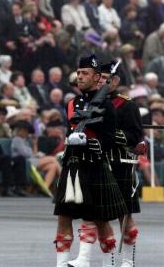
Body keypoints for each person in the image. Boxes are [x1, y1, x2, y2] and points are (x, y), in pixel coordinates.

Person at [53, 55, 128, 267]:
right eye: (78, 73)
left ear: (97, 77)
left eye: (85, 73)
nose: (80, 76)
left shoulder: (107, 104)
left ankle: (108, 262)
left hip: (94, 164)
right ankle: (61, 263)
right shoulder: (72, 103)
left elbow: (110, 137)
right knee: (63, 216)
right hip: (73, 164)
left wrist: (95, 144)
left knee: (100, 219)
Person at [68, 61, 143, 267]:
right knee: (92, 212)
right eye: (98, 77)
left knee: (124, 216)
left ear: (115, 81)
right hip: (95, 162)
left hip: (119, 163)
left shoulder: (126, 104)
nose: (100, 81)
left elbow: (135, 136)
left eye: (104, 78)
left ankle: (128, 260)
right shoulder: (89, 101)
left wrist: (106, 136)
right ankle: (88, 259)